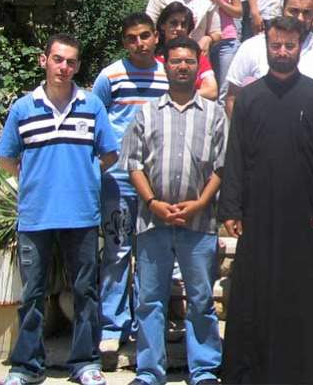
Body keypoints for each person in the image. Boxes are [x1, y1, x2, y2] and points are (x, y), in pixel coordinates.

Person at [218, 16, 313, 385]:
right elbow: (235, 155)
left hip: (306, 213)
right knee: (255, 291)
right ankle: (251, 369)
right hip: (258, 211)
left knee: (302, 291)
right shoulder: (249, 97)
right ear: (266, 46)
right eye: (276, 45)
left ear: (299, 47)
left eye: (290, 45)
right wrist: (231, 207)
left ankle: (302, 368)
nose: (283, 52)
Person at [0, 34, 119, 385]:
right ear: (44, 61)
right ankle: (26, 367)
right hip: (35, 216)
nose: (64, 67)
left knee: (85, 292)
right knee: (32, 295)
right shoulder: (23, 108)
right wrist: (38, 180)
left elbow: (109, 154)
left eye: (71, 62)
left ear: (77, 66)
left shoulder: (91, 105)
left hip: (81, 215)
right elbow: (7, 158)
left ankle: (85, 363)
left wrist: (84, 177)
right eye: (58, 59)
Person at [121, 37, 224, 385]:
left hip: (199, 221)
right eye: (176, 61)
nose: (182, 67)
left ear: (198, 67)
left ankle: (204, 369)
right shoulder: (146, 113)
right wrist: (153, 203)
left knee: (201, 298)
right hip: (153, 221)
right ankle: (149, 371)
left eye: (189, 62)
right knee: (150, 300)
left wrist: (201, 202)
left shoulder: (214, 113)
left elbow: (222, 166)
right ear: (166, 65)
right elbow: (133, 164)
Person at [91, 14, 168, 362]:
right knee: (117, 250)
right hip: (118, 179)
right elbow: (95, 120)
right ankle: (112, 327)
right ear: (124, 42)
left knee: (151, 253)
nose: (140, 43)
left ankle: (147, 325)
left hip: (156, 180)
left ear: (156, 37)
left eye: (145, 36)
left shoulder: (167, 74)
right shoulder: (110, 76)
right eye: (132, 38)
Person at [224, 0, 313, 115]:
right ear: (282, 10)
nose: (300, 18)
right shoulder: (251, 47)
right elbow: (232, 97)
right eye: (294, 11)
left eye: (307, 13)